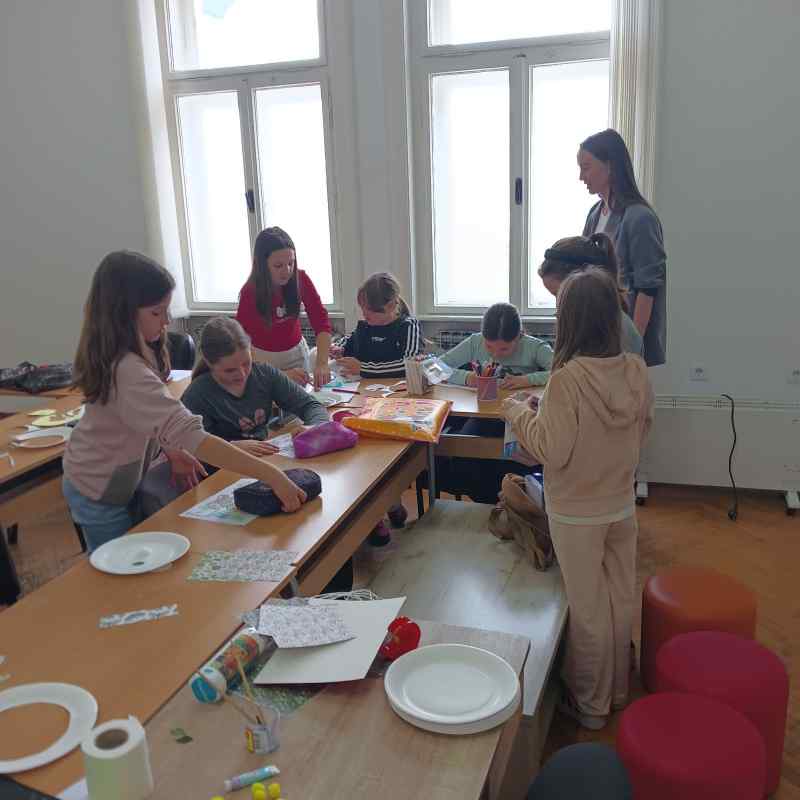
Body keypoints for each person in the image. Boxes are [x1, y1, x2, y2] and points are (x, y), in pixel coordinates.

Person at [63, 251, 307, 553]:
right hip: (98, 489)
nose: (167, 320)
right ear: (122, 314)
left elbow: (148, 416)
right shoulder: (126, 369)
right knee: (114, 566)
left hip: (119, 478)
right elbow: (193, 435)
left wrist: (171, 449)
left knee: (132, 556)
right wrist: (270, 474)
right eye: (157, 312)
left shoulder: (137, 355)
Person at [503, 268, 654, 730]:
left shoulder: (567, 379)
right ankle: (618, 691)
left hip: (576, 512)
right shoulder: (635, 369)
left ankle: (591, 706)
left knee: (587, 608)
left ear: (568, 319)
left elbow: (550, 450)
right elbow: (642, 429)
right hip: (619, 503)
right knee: (619, 596)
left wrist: (517, 412)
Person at [578, 129, 666, 366]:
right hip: (597, 334)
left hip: (625, 339)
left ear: (610, 165)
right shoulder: (595, 214)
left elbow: (648, 288)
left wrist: (631, 349)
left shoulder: (640, 218)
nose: (581, 176)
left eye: (586, 167)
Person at [182, 316, 329, 452]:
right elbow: (190, 447)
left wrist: (313, 427)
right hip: (221, 467)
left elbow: (311, 406)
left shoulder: (264, 374)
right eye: (230, 370)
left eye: (246, 363)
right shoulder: (197, 395)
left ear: (251, 350)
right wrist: (231, 448)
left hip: (261, 458)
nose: (242, 374)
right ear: (209, 363)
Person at [236, 227, 332, 389]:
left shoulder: (301, 279)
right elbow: (240, 343)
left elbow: (321, 322)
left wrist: (322, 363)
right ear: (262, 266)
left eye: (291, 263)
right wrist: (280, 375)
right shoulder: (249, 292)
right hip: (262, 361)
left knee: (303, 399)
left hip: (296, 355)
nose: (287, 271)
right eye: (278, 265)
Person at [538, 233, 643, 356]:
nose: (558, 306)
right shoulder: (587, 322)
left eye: (559, 295)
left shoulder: (616, 331)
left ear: (583, 282)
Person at [440, 303, 553, 389]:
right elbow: (435, 367)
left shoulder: (536, 347)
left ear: (519, 336)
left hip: (520, 407)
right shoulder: (475, 342)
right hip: (483, 405)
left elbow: (561, 373)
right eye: (489, 346)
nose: (495, 355)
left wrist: (528, 380)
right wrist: (466, 378)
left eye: (504, 349)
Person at [334, 272, 422, 379]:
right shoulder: (365, 326)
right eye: (362, 308)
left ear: (390, 306)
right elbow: (348, 339)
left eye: (370, 310)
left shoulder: (408, 326)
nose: (364, 314)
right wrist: (339, 348)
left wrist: (363, 368)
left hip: (393, 387)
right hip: (361, 386)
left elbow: (410, 365)